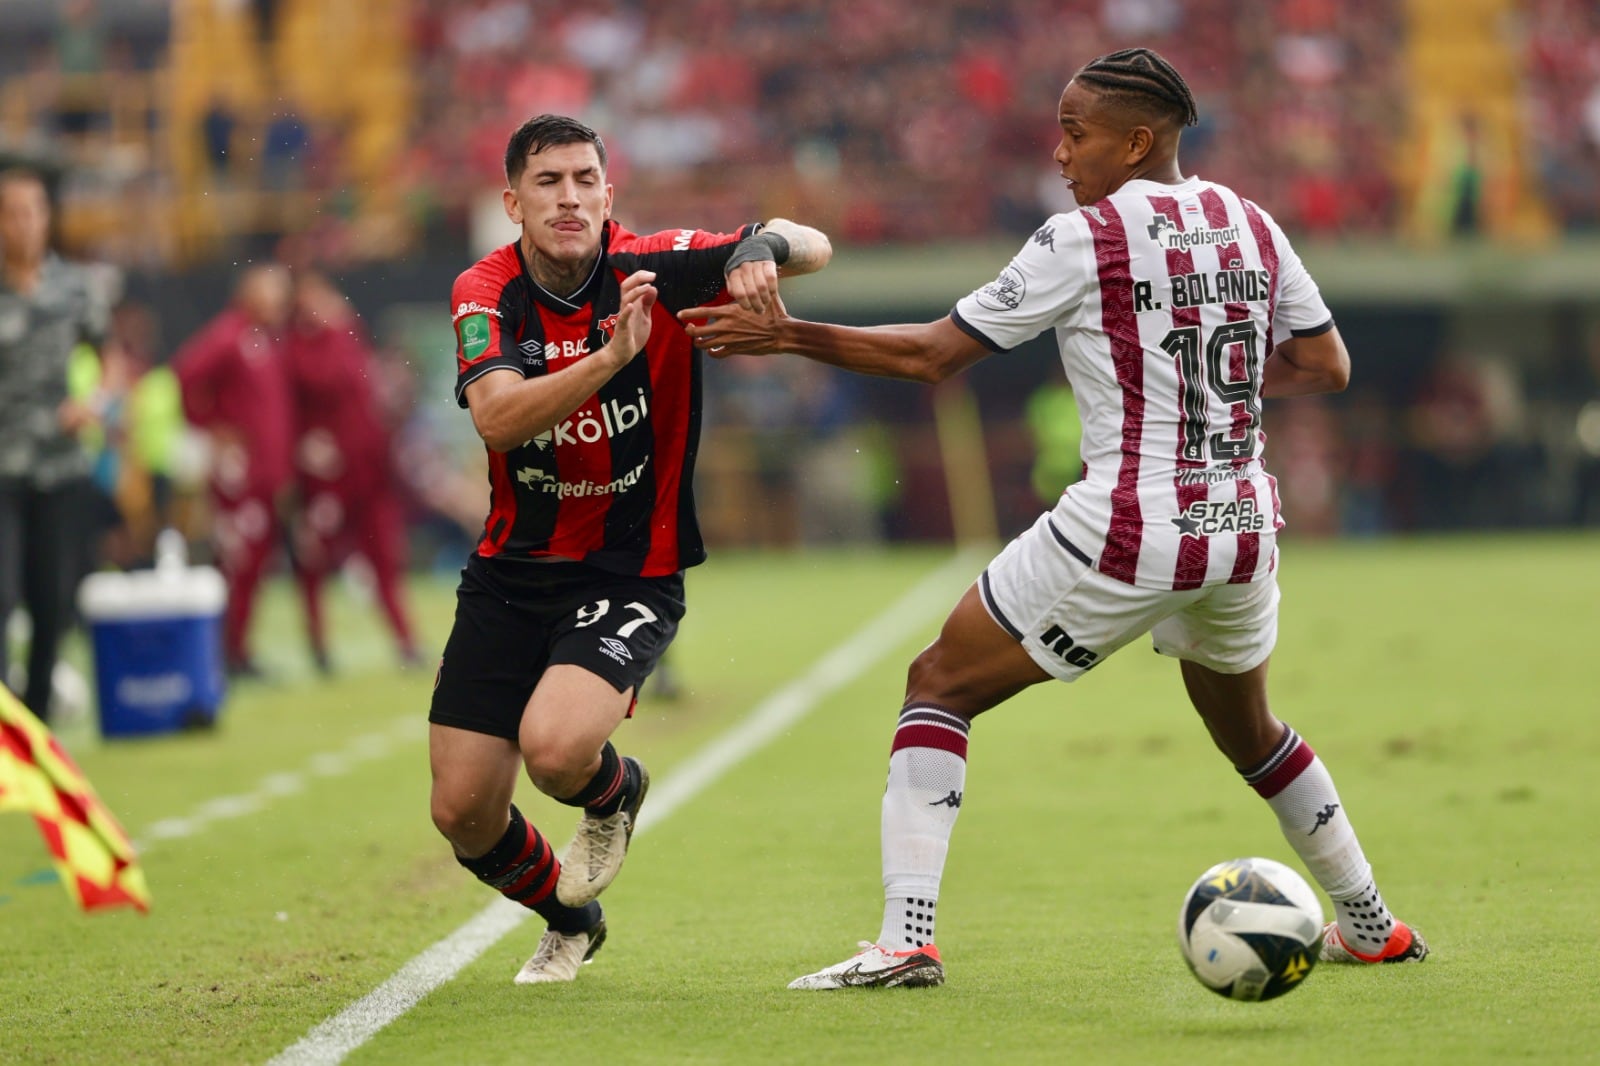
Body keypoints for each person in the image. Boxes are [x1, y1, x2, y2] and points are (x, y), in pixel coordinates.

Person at [681, 48, 1427, 989]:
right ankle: (1370, 923)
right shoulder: (1252, 223)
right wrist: (1203, 396)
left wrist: (787, 335)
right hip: (1243, 527)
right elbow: (1328, 366)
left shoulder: (1087, 236)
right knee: (1253, 733)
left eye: (1077, 133)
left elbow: (932, 358)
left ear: (1138, 140)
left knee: (938, 683)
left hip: (1131, 524)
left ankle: (905, 940)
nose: (1062, 153)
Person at [429, 114, 830, 984]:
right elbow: (496, 417)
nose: (568, 197)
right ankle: (570, 919)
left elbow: (815, 245)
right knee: (462, 811)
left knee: (556, 751)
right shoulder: (485, 288)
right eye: (547, 182)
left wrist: (760, 245)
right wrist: (611, 359)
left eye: (584, 180)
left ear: (609, 194)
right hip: (509, 572)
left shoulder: (659, 263)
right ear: (512, 202)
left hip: (629, 570)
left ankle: (613, 794)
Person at [0, 166, 108, 722]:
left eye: (33, 211)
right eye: (12, 213)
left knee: (51, 605)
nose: (24, 224)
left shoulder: (74, 287)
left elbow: (111, 358)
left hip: (61, 471)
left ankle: (35, 728)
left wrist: (95, 403)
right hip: (3, 472)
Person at [283, 270, 419, 674]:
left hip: (368, 471)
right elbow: (290, 407)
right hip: (328, 477)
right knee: (314, 560)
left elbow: (366, 398)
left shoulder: (346, 335)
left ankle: (406, 641)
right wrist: (302, 445)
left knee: (385, 559)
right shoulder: (294, 348)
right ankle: (318, 646)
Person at [171, 264, 294, 678]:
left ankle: (237, 649)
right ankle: (227, 653)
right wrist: (210, 428)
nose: (279, 300)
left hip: (262, 479)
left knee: (254, 564)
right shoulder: (230, 334)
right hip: (239, 479)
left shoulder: (263, 340)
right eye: (271, 290)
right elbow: (185, 374)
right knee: (238, 562)